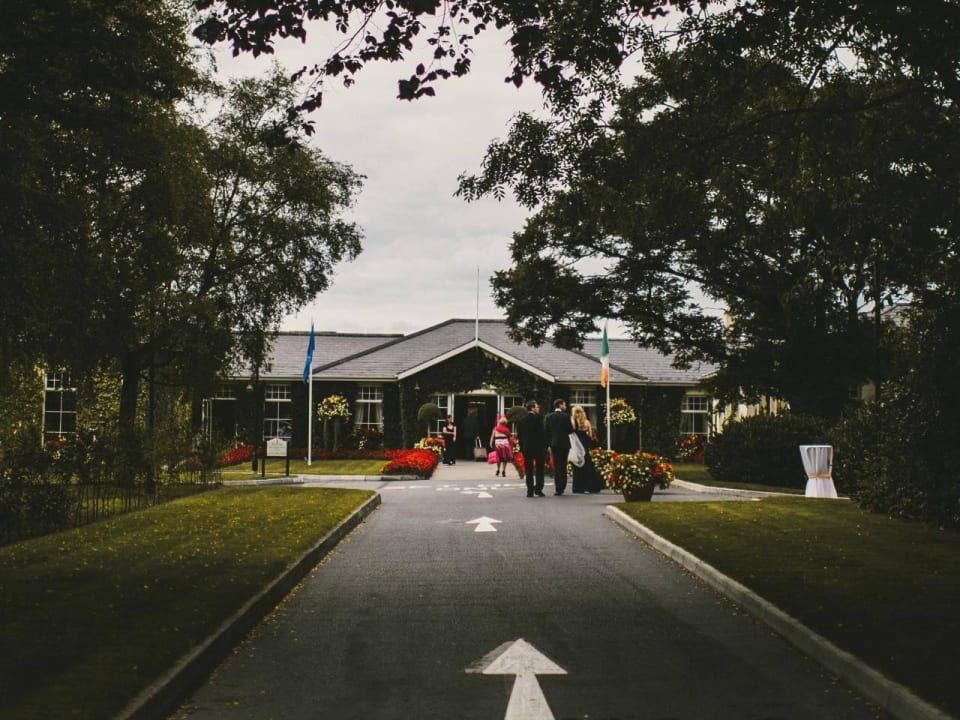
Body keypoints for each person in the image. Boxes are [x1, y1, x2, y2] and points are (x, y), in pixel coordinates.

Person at [570, 405, 604, 494]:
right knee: (588, 465)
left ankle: (578, 487)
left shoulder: (573, 421)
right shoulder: (587, 422)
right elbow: (590, 435)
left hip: (577, 444)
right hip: (585, 443)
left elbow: (571, 430)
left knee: (578, 466)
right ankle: (591, 486)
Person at [517, 400, 546, 497]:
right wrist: (545, 446)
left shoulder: (521, 420)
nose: (538, 408)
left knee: (528, 470)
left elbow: (519, 436)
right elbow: (542, 434)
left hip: (527, 448)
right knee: (539, 469)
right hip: (538, 448)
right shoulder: (539, 419)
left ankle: (529, 490)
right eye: (537, 407)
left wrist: (521, 447)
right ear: (532, 408)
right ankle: (538, 489)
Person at [544, 398, 571, 495]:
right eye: (564, 404)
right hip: (564, 444)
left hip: (554, 444)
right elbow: (570, 430)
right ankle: (562, 487)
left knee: (556, 465)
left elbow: (546, 432)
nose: (565, 406)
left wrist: (548, 445)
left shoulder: (548, 417)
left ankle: (557, 488)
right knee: (563, 465)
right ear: (560, 405)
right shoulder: (566, 416)